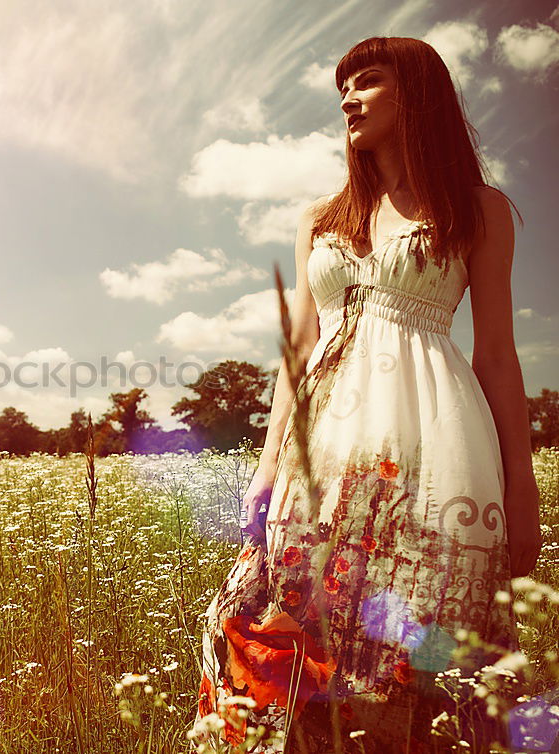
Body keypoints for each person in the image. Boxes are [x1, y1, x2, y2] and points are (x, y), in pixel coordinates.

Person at [192, 36, 543, 754]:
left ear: (417, 94)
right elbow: (295, 352)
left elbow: (498, 357)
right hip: (318, 454)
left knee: (415, 640)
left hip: (435, 448)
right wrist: (262, 476)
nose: (348, 98)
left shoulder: (479, 210)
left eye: (368, 81)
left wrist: (522, 486)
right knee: (273, 625)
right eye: (342, 88)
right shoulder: (321, 219)